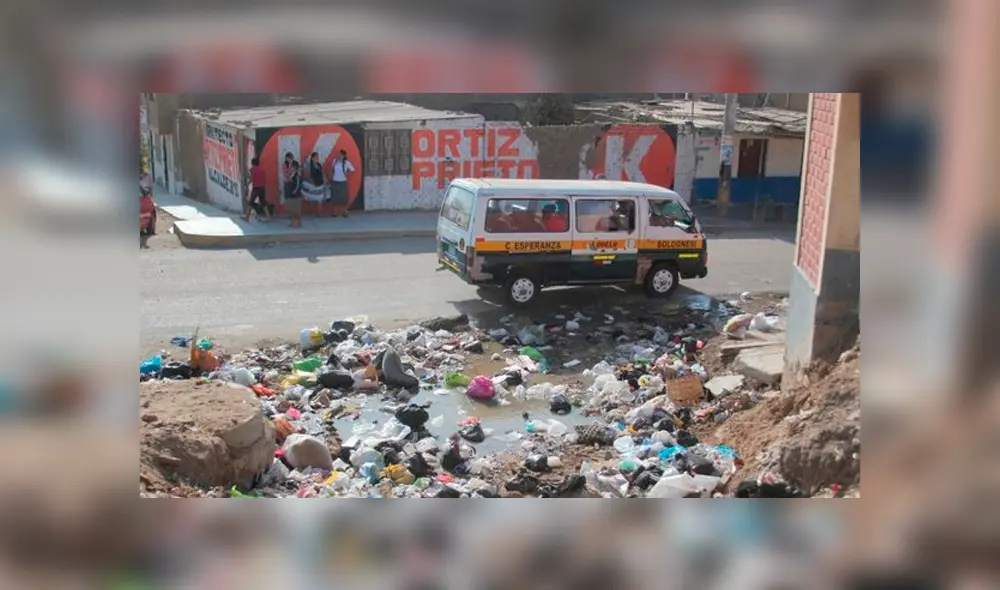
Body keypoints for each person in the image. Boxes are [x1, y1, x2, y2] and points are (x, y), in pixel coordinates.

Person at [327, 149, 355, 218]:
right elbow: (332, 169)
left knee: (344, 197)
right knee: (335, 197)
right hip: (335, 181)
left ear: (344, 155)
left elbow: (353, 170)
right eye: (339, 154)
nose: (339, 156)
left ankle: (344, 211)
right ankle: (335, 212)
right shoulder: (335, 161)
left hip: (343, 181)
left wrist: (347, 174)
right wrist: (330, 176)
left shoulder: (347, 163)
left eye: (341, 154)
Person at [243, 157, 270, 221]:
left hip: (256, 188)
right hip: (262, 187)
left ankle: (247, 217)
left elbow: (250, 178)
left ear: (252, 163)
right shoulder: (262, 170)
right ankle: (268, 217)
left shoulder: (252, 169)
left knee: (251, 202)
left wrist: (247, 185)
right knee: (263, 202)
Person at [285, 160, 303, 228]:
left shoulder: (297, 175)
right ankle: (293, 221)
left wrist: (294, 191)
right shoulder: (292, 174)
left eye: (291, 167)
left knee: (297, 210)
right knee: (291, 209)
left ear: (294, 167)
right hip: (291, 194)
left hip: (296, 195)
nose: (290, 168)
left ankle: (299, 222)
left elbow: (298, 184)